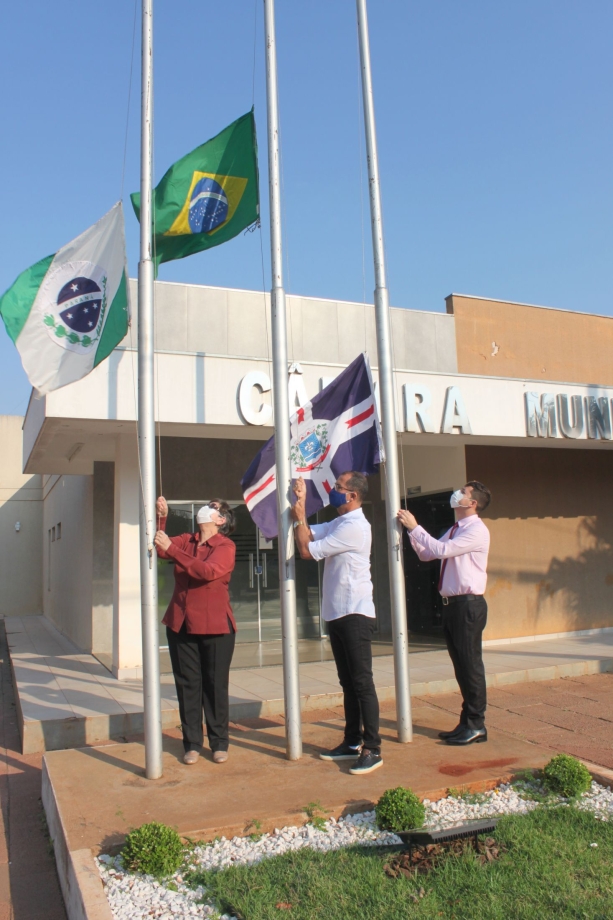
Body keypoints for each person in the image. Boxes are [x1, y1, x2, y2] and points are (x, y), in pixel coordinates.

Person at [291, 471, 383, 775]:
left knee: (362, 683)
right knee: (348, 683)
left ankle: (372, 747)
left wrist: (301, 515)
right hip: (337, 613)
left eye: (339, 488)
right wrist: (300, 505)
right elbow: (307, 532)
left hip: (355, 614)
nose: (334, 491)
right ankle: (351, 740)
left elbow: (305, 550)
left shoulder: (356, 527)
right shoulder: (340, 522)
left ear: (352, 495)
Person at [398, 482, 491, 746]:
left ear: (472, 503)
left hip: (468, 605)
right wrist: (410, 533)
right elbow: (428, 554)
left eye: (464, 492)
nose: (457, 494)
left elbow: (441, 551)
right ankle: (467, 722)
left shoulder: (476, 531)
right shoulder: (455, 529)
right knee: (461, 666)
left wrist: (415, 527)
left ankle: (477, 724)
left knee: (471, 666)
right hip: (453, 605)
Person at [154, 497, 236, 765]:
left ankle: (219, 742)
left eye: (213, 507)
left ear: (221, 520)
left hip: (215, 627)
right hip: (181, 623)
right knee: (188, 685)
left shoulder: (225, 545)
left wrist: (175, 552)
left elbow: (208, 571)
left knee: (214, 686)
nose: (206, 508)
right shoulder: (188, 539)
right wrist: (162, 517)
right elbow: (162, 547)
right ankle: (191, 743)